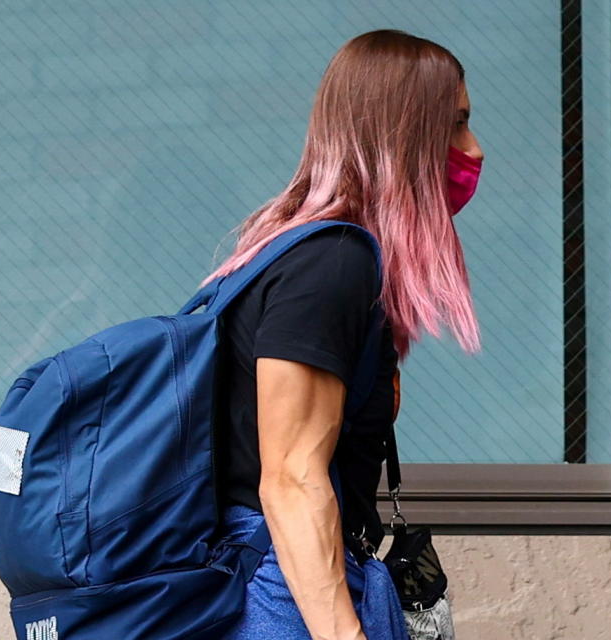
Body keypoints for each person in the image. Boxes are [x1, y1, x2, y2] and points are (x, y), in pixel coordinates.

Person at [203, 29, 484, 640]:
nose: (474, 149)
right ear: (406, 135)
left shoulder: (312, 257)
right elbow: (292, 479)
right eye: (456, 125)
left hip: (295, 582)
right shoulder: (331, 265)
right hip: (283, 596)